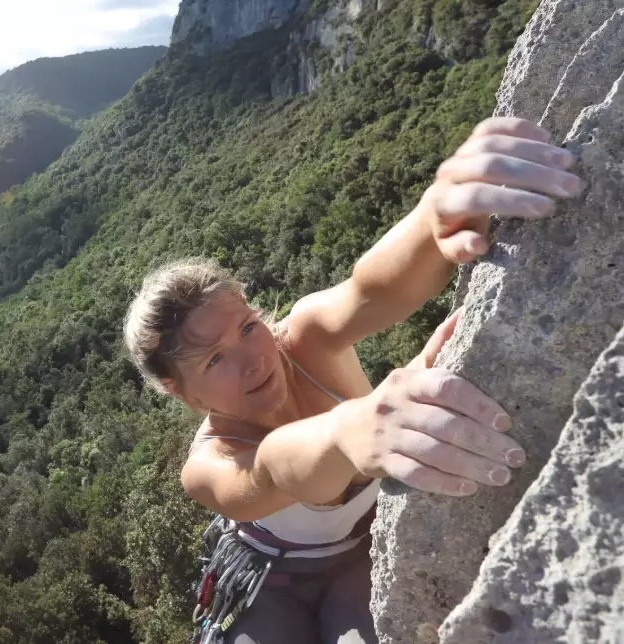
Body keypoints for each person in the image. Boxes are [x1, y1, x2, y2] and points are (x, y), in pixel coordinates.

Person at [122, 117, 582, 644]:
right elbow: (273, 469)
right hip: (271, 582)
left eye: (248, 326)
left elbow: (369, 291)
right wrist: (348, 429)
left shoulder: (304, 341)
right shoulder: (208, 464)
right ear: (179, 392)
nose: (252, 358)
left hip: (362, 554)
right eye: (213, 361)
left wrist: (435, 216)